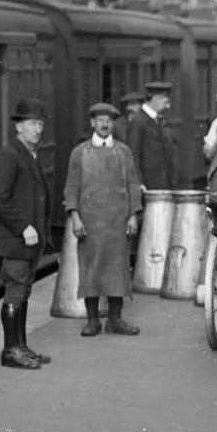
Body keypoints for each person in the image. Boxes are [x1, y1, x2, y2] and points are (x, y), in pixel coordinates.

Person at [64, 102, 144, 337]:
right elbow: (71, 187)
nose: (105, 124)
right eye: (100, 120)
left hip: (118, 222)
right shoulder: (79, 153)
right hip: (89, 223)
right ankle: (92, 321)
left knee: (117, 269)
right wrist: (75, 217)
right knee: (90, 269)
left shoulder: (123, 151)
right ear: (92, 123)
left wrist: (133, 215)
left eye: (108, 120)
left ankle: (115, 320)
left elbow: (132, 185)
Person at [0, 97, 53, 370]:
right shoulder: (10, 155)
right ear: (18, 127)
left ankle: (21, 346)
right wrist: (22, 226)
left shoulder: (28, 154)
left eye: (39, 124)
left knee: (23, 291)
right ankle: (10, 351)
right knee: (15, 292)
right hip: (16, 241)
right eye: (31, 124)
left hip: (30, 241)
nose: (37, 129)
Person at [126, 79, 177, 190]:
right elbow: (133, 154)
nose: (168, 107)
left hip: (163, 184)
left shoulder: (157, 119)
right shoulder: (138, 120)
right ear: (155, 98)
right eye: (166, 102)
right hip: (148, 186)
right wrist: (138, 182)